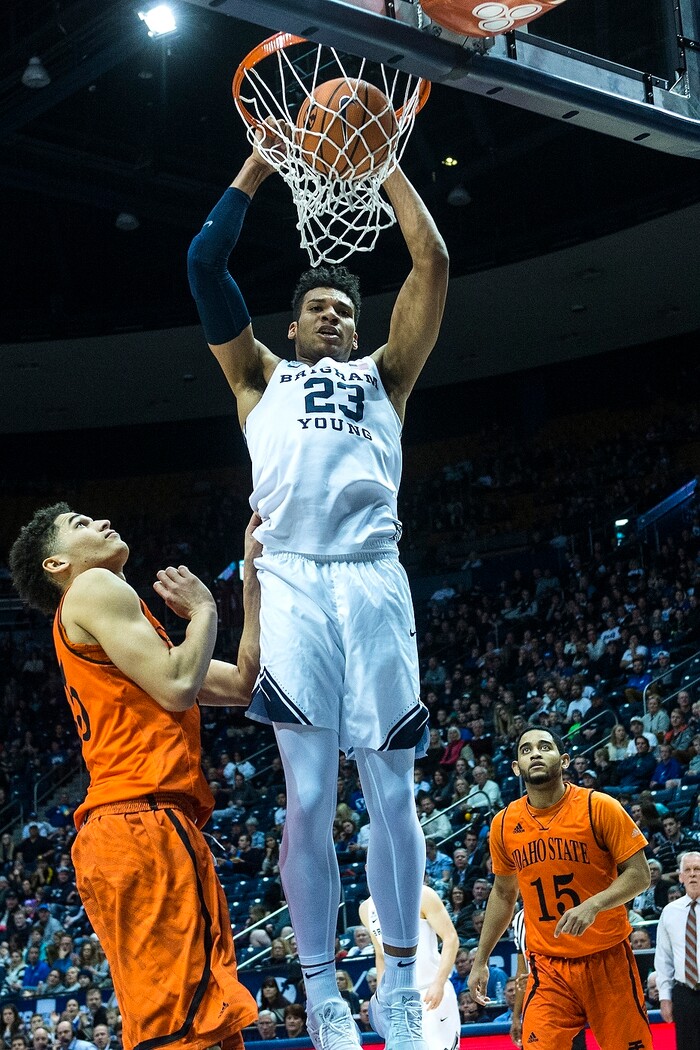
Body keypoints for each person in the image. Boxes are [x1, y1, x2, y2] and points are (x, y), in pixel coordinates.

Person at [187, 109, 448, 1050]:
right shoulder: (258, 377)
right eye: (319, 308)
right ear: (291, 325)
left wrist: (383, 169)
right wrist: (257, 169)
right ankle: (323, 991)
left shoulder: (388, 375)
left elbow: (434, 267)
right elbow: (202, 269)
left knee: (394, 790)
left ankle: (403, 985)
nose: (336, 315)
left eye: (346, 307)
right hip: (293, 581)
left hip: (374, 580)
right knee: (306, 799)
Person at [8, 505, 263, 1050]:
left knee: (202, 1026)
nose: (98, 522)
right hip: (140, 825)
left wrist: (252, 567)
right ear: (56, 563)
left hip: (138, 829)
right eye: (78, 525)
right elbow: (177, 685)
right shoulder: (93, 587)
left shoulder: (122, 635)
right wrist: (202, 613)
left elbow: (243, 684)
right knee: (177, 1031)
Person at [468, 727, 653, 1050]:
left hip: (607, 959)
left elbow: (639, 875)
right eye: (526, 750)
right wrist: (481, 958)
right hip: (548, 966)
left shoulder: (599, 806)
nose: (535, 754)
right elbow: (502, 893)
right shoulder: (503, 823)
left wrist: (593, 905)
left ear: (564, 760)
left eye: (544, 747)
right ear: (516, 767)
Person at [360, 886, 460, 1050]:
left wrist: (439, 983)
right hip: (397, 1000)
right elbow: (380, 954)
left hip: (430, 991)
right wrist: (380, 996)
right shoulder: (365, 908)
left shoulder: (423, 894)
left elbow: (451, 938)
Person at [654, 850, 700, 1048]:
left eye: (697, 869)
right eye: (687, 870)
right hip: (684, 993)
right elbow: (663, 958)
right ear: (680, 877)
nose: (692, 874)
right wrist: (665, 997)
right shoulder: (669, 912)